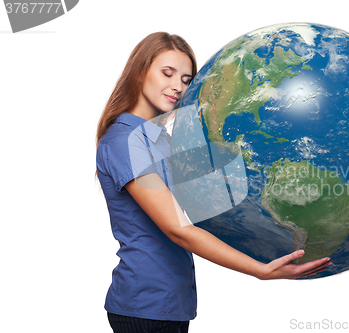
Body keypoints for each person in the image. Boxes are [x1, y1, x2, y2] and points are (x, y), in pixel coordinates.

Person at [96, 32, 332, 333]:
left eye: (185, 80)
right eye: (167, 73)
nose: (177, 87)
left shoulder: (161, 139)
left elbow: (208, 198)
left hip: (173, 305)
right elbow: (177, 229)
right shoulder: (123, 142)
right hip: (145, 307)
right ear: (140, 71)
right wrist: (260, 270)